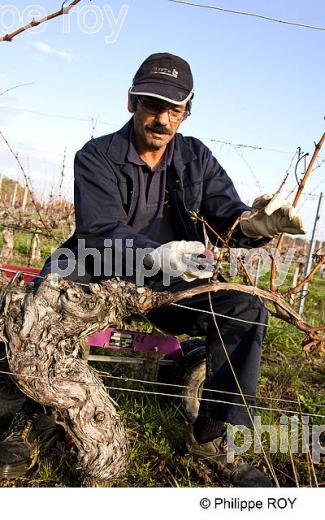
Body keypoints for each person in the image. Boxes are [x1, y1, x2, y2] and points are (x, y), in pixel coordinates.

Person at [0, 53, 305, 485]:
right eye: (151, 105)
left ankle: (214, 436)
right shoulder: (97, 155)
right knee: (46, 308)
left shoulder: (197, 159)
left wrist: (255, 227)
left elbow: (227, 219)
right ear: (132, 103)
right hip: (98, 270)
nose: (162, 119)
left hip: (170, 285)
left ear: (187, 111)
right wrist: (153, 253)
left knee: (243, 309)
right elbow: (100, 229)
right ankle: (38, 412)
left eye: (174, 109)